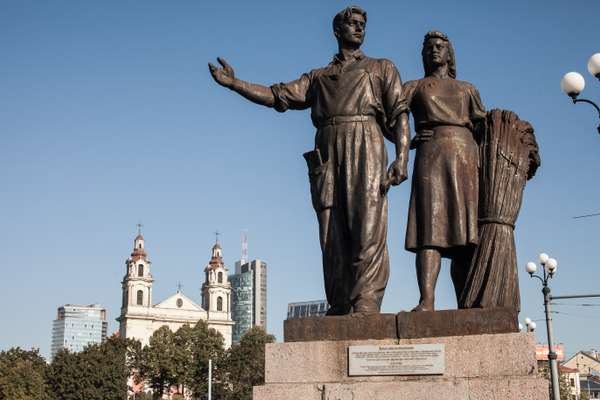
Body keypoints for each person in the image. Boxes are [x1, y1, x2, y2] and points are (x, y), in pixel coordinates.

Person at [208, 6, 410, 314]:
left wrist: (402, 157)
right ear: (337, 31)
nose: (358, 29)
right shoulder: (318, 77)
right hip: (327, 149)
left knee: (367, 223)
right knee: (330, 228)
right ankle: (340, 300)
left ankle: (365, 298)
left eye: (361, 25)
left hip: (366, 141)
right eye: (351, 24)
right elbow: (278, 96)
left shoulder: (381, 67)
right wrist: (236, 84)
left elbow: (399, 114)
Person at [402, 31, 486, 311]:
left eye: (440, 47)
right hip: (431, 157)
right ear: (423, 55)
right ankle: (427, 300)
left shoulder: (467, 89)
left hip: (464, 157)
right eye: (429, 48)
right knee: (429, 231)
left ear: (449, 54)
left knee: (463, 235)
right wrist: (408, 140)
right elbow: (389, 116)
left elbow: (484, 126)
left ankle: (467, 300)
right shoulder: (414, 86)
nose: (434, 51)